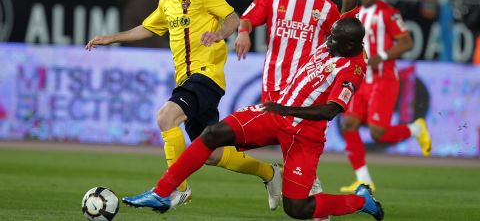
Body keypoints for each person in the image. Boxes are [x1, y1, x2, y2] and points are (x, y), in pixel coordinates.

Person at [122, 17, 384, 221]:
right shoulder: (342, 38)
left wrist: (288, 110)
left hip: (304, 134)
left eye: (333, 40)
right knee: (212, 134)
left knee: (298, 208)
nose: (327, 42)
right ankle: (162, 193)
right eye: (330, 36)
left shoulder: (353, 69)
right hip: (275, 115)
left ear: (351, 45)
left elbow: (331, 110)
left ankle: (361, 201)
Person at [85, 0, 281, 210]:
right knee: (212, 153)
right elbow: (147, 28)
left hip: (206, 76)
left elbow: (233, 18)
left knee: (166, 117)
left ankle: (175, 190)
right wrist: (111, 38)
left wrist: (219, 34)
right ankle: (270, 173)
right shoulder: (167, 2)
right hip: (187, 79)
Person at [234, 0, 368, 214]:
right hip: (274, 89)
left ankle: (314, 206)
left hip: (305, 95)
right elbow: (248, 18)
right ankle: (279, 181)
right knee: (291, 154)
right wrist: (242, 31)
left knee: (298, 155)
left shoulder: (328, 10)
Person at [339, 0, 432, 193]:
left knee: (377, 133)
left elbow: (406, 42)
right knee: (348, 124)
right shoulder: (356, 14)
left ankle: (416, 129)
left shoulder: (388, 13)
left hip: (384, 79)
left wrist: (382, 55)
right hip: (361, 80)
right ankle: (364, 180)